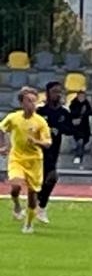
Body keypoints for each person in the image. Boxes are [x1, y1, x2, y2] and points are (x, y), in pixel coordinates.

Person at [1, 86, 50, 234]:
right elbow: (1, 129)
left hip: (35, 161)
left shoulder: (40, 122)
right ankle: (16, 205)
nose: (32, 104)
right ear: (22, 103)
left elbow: (48, 143)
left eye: (34, 101)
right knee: (16, 185)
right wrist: (3, 146)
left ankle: (28, 224)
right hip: (17, 158)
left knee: (32, 195)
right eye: (29, 101)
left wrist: (36, 141)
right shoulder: (13, 118)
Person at [35, 81, 69, 223]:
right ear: (48, 93)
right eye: (54, 91)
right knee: (41, 179)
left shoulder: (64, 112)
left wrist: (59, 129)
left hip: (53, 150)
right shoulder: (40, 111)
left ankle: (40, 206)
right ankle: (37, 205)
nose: (57, 95)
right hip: (38, 150)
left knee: (50, 178)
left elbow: (70, 129)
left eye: (59, 92)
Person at [67, 90, 92, 164]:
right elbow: (72, 113)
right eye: (80, 96)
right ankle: (78, 156)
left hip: (85, 127)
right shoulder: (73, 103)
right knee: (79, 141)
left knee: (82, 141)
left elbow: (90, 112)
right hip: (76, 127)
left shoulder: (86, 104)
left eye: (83, 96)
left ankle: (79, 154)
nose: (81, 98)